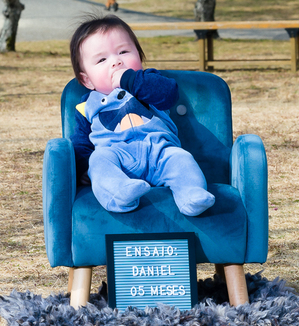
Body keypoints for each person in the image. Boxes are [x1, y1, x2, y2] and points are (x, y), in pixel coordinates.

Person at [68, 15, 216, 216]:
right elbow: (80, 144)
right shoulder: (87, 106)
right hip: (118, 158)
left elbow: (168, 95)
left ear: (139, 56)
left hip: (160, 152)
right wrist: (84, 169)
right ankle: (119, 194)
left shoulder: (148, 83)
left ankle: (191, 195)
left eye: (123, 51)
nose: (116, 62)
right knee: (99, 159)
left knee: (182, 159)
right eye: (102, 59)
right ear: (87, 80)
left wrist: (129, 79)